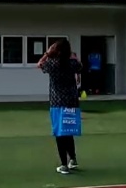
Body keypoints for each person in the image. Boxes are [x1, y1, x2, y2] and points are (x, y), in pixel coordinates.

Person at [37, 39, 83, 175]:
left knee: (59, 134)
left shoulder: (52, 63)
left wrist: (47, 53)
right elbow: (80, 66)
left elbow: (39, 64)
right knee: (68, 132)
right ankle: (73, 159)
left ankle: (64, 164)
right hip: (72, 102)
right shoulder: (72, 63)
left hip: (57, 103)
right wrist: (74, 57)